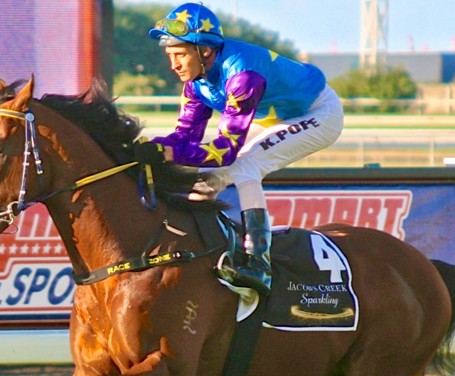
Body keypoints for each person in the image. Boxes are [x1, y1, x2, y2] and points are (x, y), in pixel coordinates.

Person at [134, 2, 344, 296]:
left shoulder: (242, 74)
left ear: (205, 50)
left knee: (245, 165)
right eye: (170, 56)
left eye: (180, 55)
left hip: (318, 113)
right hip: (273, 117)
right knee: (207, 178)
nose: (174, 65)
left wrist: (168, 154)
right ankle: (200, 247)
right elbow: (186, 137)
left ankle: (259, 262)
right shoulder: (195, 83)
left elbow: (226, 151)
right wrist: (151, 147)